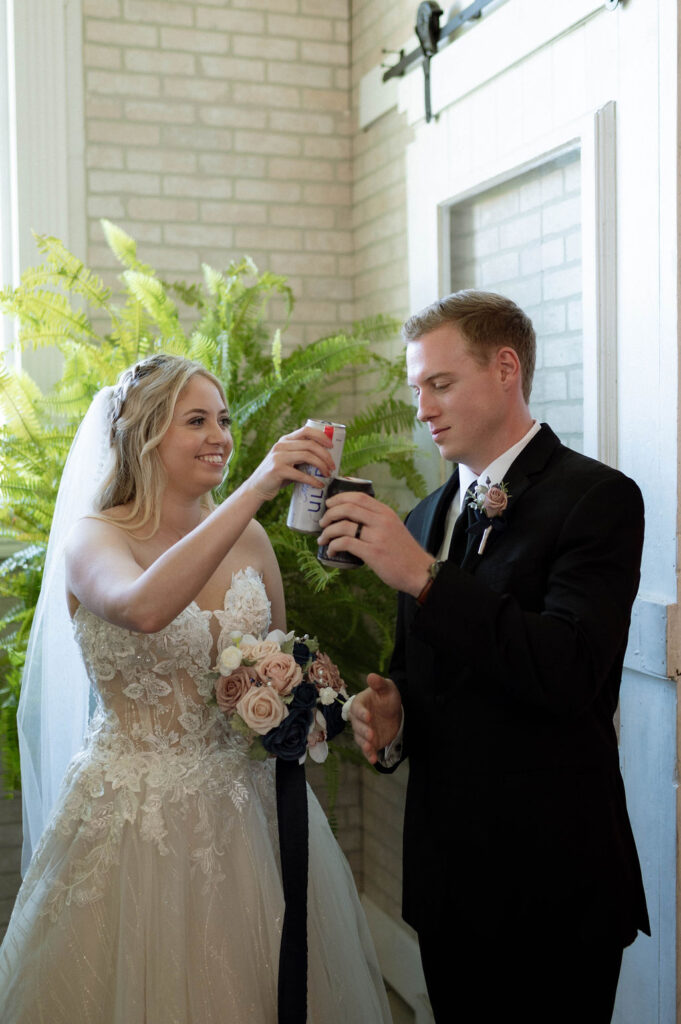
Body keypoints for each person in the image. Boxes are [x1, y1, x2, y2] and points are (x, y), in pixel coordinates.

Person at [0, 354, 391, 1024]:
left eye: (225, 419)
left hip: (246, 815)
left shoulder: (253, 542)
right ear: (145, 436)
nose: (220, 435)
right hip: (130, 820)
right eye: (197, 420)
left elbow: (276, 669)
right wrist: (260, 485)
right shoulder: (95, 539)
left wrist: (344, 706)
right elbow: (143, 608)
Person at [318, 291, 650, 1023]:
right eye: (415, 390)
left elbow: (567, 671)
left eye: (439, 384)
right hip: (445, 878)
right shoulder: (423, 517)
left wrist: (425, 577)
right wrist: (389, 714)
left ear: (505, 368)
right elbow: (414, 672)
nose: (422, 407)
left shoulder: (597, 498)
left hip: (554, 881)